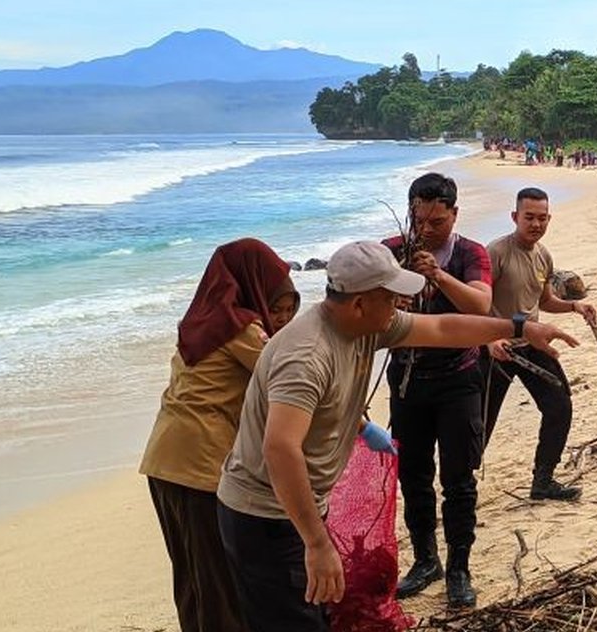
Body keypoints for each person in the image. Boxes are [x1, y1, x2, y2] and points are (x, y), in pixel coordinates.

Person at [216, 240, 577, 632]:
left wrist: (521, 327)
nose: (401, 306)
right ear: (358, 303)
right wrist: (317, 544)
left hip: (298, 509)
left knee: (322, 615)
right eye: (391, 298)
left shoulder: (366, 326)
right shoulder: (307, 355)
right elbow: (280, 448)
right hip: (264, 517)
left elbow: (442, 327)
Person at [140, 238, 300, 632]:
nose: (281, 319)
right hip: (200, 467)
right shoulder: (242, 329)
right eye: (275, 307)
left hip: (164, 460)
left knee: (193, 576)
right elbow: (290, 384)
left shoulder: (203, 319)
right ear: (253, 288)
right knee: (218, 580)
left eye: (288, 310)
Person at [381, 173, 493, 608]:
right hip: (407, 378)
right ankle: (426, 559)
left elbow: (481, 306)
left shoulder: (469, 253)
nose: (427, 230)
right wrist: (395, 298)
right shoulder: (391, 251)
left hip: (458, 377)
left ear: (454, 215)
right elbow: (364, 311)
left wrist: (438, 277)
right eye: (419, 221)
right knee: (413, 475)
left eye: (437, 222)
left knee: (459, 478)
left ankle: (459, 566)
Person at [481, 188, 597, 501]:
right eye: (529, 217)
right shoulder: (496, 253)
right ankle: (461, 486)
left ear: (549, 219)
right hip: (496, 350)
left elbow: (544, 301)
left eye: (542, 218)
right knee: (479, 425)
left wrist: (575, 307)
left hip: (532, 344)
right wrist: (491, 339)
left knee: (559, 406)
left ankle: (543, 480)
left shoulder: (543, 255)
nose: (536, 224)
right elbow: (478, 303)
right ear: (515, 217)